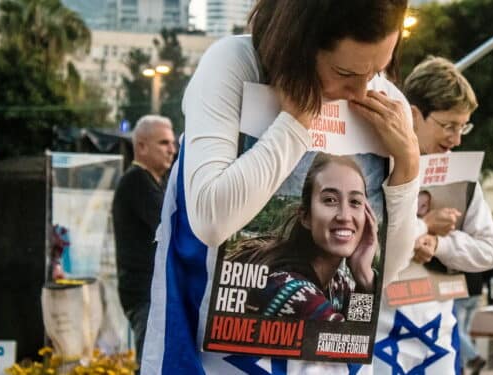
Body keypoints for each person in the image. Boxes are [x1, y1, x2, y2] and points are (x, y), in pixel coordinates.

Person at [142, 0, 420, 374]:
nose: (359, 90)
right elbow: (210, 220)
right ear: (299, 43)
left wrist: (407, 166)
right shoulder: (235, 64)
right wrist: (294, 124)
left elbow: (396, 265)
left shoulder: (384, 103)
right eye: (343, 71)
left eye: (377, 70)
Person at [374, 57, 493, 375]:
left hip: (439, 335)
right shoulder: (373, 161)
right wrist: (422, 227)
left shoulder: (460, 173)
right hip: (379, 333)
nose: (456, 139)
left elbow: (489, 250)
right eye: (448, 126)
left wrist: (439, 244)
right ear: (415, 115)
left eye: (463, 126)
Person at [228, 153, 377, 321]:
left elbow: (358, 333)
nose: (345, 216)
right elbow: (351, 344)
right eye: (330, 200)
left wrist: (364, 278)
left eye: (355, 202)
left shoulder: (337, 284)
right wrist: (365, 285)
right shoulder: (294, 292)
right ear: (306, 216)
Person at [112, 115, 176, 366]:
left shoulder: (153, 182)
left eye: (172, 143)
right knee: (151, 361)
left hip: (150, 290)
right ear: (140, 146)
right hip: (144, 292)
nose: (172, 150)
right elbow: (170, 226)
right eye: (163, 143)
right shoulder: (136, 181)